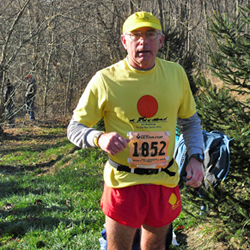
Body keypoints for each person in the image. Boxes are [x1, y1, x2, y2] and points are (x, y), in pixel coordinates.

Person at [67, 11, 204, 250]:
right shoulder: (105, 80)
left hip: (164, 181)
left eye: (150, 35)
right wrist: (99, 137)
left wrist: (195, 157)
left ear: (160, 41)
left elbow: (190, 122)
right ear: (124, 41)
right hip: (123, 183)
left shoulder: (176, 74)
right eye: (136, 35)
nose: (143, 42)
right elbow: (75, 128)